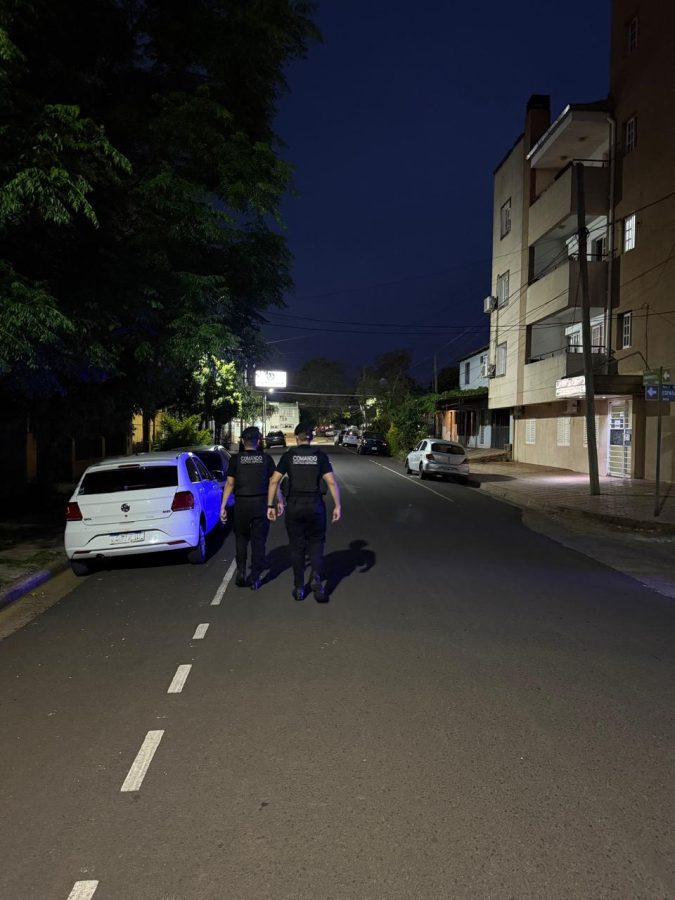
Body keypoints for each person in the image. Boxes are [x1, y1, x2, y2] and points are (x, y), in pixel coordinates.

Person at [267, 423, 341, 601]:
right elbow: (331, 482)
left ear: (296, 437)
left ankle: (299, 588)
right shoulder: (320, 456)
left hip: (294, 506)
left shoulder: (289, 456)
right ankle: (315, 576)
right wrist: (338, 505)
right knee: (317, 543)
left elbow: (274, 481)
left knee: (297, 547)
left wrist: (271, 505)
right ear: (311, 437)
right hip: (315, 505)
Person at [220, 426, 279, 590]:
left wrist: (223, 506)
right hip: (260, 504)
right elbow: (274, 482)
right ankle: (255, 578)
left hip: (241, 505)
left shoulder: (235, 460)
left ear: (242, 442)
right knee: (259, 542)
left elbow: (230, 484)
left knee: (241, 539)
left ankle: (240, 571)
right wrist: (278, 501)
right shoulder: (266, 459)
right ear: (258, 441)